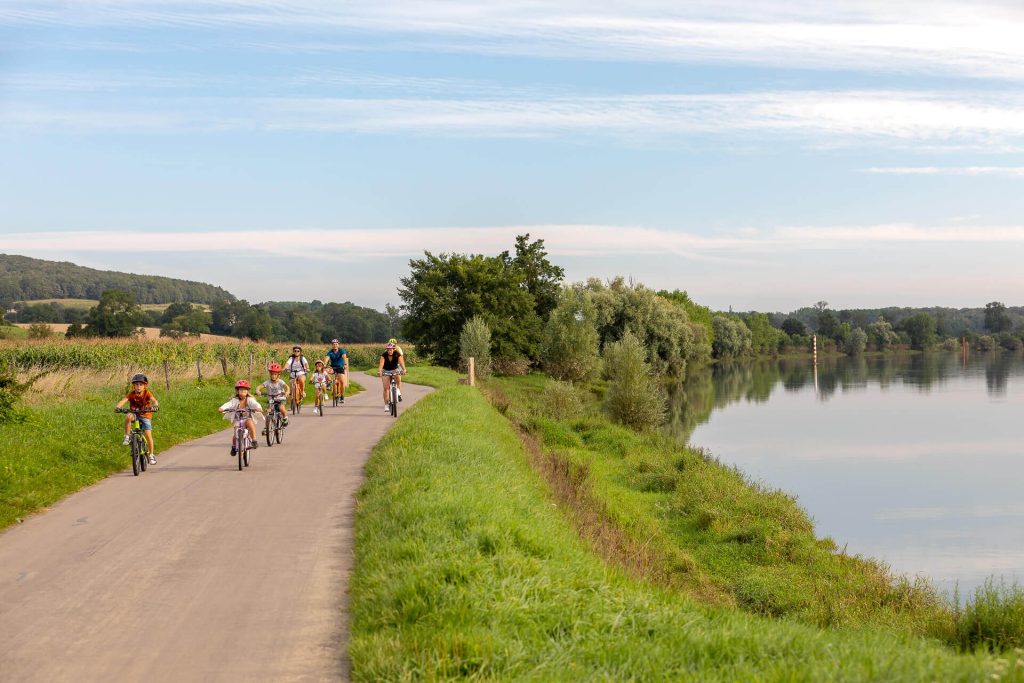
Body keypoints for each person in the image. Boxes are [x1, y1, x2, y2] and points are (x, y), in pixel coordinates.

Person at [116, 372, 159, 465]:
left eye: (141, 385)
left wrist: (155, 406)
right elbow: (124, 400)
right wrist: (117, 407)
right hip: (134, 413)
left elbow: (154, 400)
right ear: (133, 386)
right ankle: (127, 436)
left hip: (146, 415)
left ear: (145, 386)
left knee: (148, 435)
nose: (138, 387)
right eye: (136, 385)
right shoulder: (131, 394)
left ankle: (151, 455)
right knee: (128, 416)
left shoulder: (147, 393)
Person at [219, 380, 263, 456]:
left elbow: (255, 404)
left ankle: (254, 440)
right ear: (237, 391)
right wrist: (222, 408)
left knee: (250, 423)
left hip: (247, 418)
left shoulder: (249, 399)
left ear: (247, 391)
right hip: (238, 419)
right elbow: (228, 404)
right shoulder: (235, 400)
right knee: (236, 432)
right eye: (241, 390)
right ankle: (233, 446)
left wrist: (258, 408)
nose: (243, 391)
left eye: (245, 390)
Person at [377, 342, 406, 412]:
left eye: (391, 349)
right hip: (386, 370)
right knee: (386, 388)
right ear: (386, 350)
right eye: (388, 350)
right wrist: (379, 371)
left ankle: (398, 392)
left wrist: (404, 369)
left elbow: (401, 363)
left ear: (394, 349)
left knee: (398, 380)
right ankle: (386, 405)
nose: (389, 351)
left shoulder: (397, 354)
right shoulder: (384, 355)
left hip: (395, 369)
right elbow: (381, 364)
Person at [323, 339, 348, 404]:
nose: (335, 345)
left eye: (336, 344)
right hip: (333, 367)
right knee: (325, 370)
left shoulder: (341, 351)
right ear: (332, 345)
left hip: (340, 367)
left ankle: (342, 396)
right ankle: (328, 383)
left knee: (342, 382)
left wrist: (345, 364)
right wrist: (324, 365)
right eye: (333, 344)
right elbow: (327, 358)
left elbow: (344, 357)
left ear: (338, 345)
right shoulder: (330, 352)